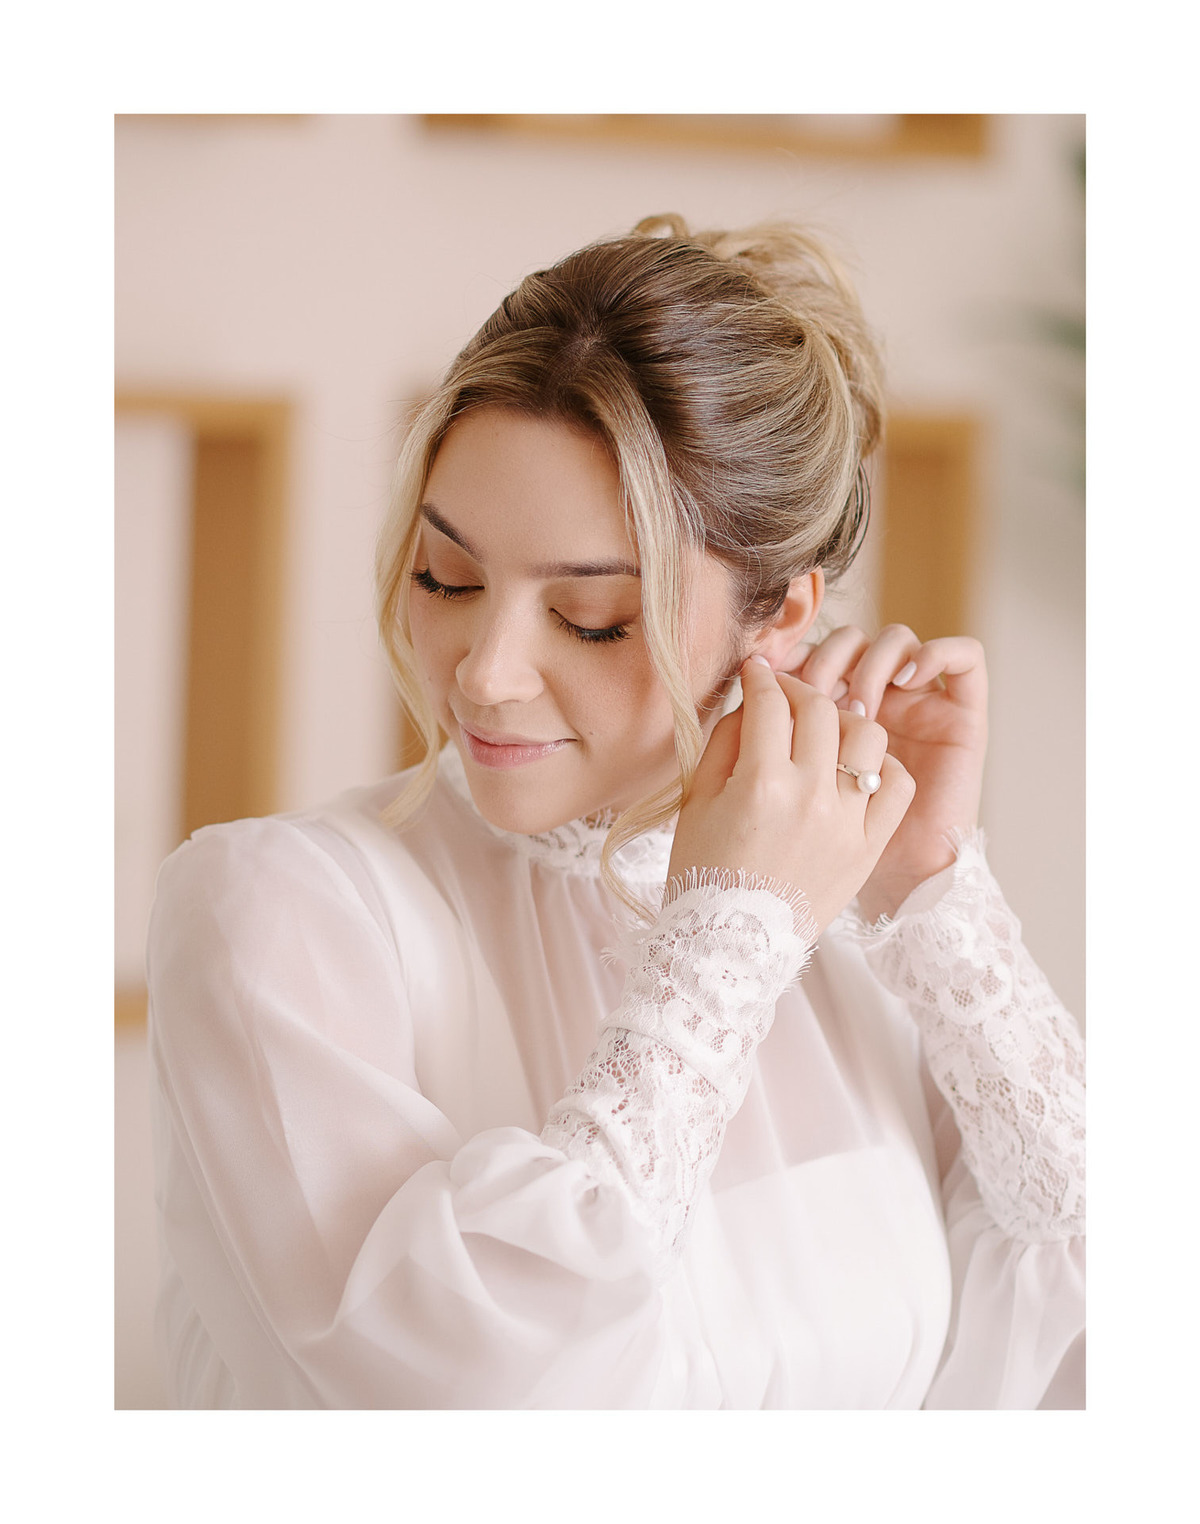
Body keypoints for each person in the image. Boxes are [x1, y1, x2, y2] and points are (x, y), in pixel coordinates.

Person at [147, 213, 1085, 1409]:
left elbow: (1085, 1354)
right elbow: (481, 1394)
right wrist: (724, 943)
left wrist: (932, 895)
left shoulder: (850, 932)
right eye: (447, 576)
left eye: (591, 618)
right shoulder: (275, 916)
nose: (486, 673)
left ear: (781, 620)